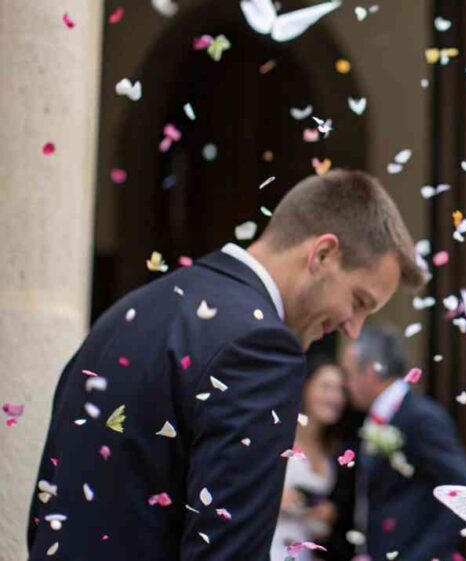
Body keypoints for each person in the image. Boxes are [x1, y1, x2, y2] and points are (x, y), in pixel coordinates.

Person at [27, 170, 426, 560]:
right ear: (322, 254)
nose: (352, 329)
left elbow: (45, 516)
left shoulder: (123, 314)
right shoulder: (261, 349)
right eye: (358, 301)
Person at [341, 327, 466, 561]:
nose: (345, 384)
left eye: (348, 374)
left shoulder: (420, 417)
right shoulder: (378, 418)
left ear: (371, 371)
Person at [270, 362, 346, 561]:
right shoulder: (280, 436)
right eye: (326, 387)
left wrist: (324, 514)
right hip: (272, 548)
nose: (335, 397)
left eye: (340, 389)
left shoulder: (332, 448)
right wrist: (274, 496)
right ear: (306, 388)